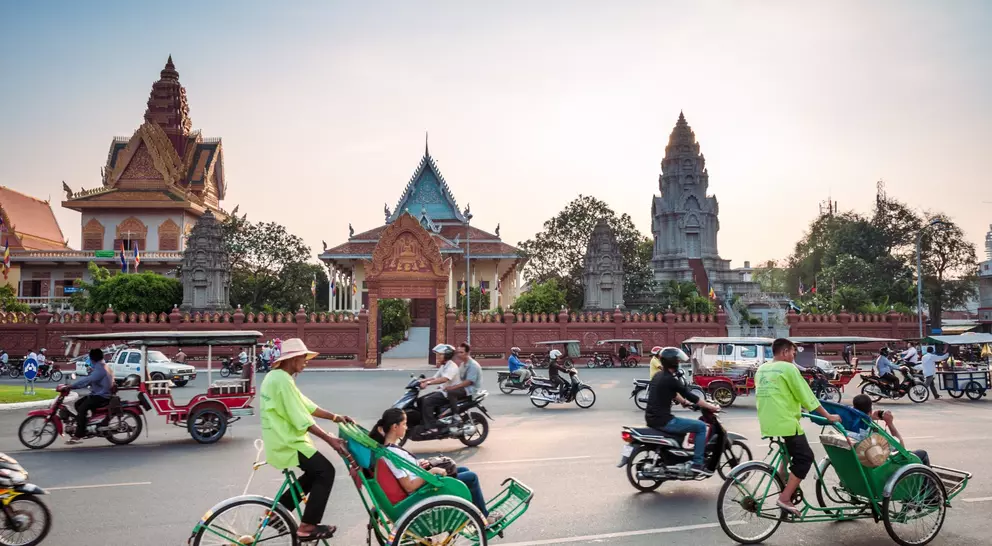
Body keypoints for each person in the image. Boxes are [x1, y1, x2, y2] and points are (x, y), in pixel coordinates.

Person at [259, 337, 355, 542]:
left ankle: (277, 513)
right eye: (303, 357)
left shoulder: (277, 377)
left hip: (281, 439)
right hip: (288, 441)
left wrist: (335, 417)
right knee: (326, 471)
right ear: (292, 359)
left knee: (314, 473)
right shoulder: (282, 380)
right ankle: (307, 526)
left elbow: (306, 405)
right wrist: (330, 440)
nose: (306, 361)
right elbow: (300, 417)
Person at [370, 408, 500, 525]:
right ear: (394, 427)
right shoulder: (392, 454)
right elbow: (409, 486)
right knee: (471, 477)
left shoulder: (390, 450)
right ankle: (484, 519)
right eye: (404, 424)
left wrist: (419, 465)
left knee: (464, 471)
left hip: (422, 482)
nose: (406, 427)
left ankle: (474, 516)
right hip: (421, 492)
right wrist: (431, 472)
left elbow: (407, 470)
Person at [755, 338, 841, 516]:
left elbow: (777, 394)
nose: (794, 357)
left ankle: (782, 476)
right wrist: (828, 416)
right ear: (785, 352)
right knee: (805, 458)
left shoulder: (762, 368)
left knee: (789, 451)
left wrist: (795, 409)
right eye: (794, 353)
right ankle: (784, 497)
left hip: (768, 421)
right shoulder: (788, 368)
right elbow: (807, 396)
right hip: (785, 422)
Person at [645, 347, 722, 475]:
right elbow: (691, 396)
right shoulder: (670, 379)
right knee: (701, 426)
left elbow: (673, 393)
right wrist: (710, 406)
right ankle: (698, 463)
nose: (679, 362)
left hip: (652, 418)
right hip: (664, 421)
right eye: (677, 360)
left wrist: (684, 403)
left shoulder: (659, 376)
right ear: (673, 362)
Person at [851, 394, 930, 466]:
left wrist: (870, 418)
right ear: (870, 411)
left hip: (860, 465)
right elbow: (901, 449)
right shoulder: (873, 434)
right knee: (922, 454)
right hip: (884, 466)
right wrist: (890, 423)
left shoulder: (848, 430)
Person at [59, 348, 114, 445]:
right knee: (77, 404)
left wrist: (71, 386)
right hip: (98, 394)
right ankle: (85, 423)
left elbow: (87, 380)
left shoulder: (100, 369)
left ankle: (79, 435)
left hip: (101, 396)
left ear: (92, 358)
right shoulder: (101, 366)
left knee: (82, 409)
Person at [419, 344, 461, 430]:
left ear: (447, 355)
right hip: (442, 391)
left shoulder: (452, 366)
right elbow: (435, 377)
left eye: (440, 355)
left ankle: (431, 426)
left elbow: (444, 379)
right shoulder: (444, 365)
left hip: (448, 394)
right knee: (420, 400)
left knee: (427, 401)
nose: (437, 357)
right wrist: (423, 381)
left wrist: (428, 383)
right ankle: (425, 421)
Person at [442, 343, 483, 424]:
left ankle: (456, 415)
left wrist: (452, 388)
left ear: (467, 353)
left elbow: (468, 382)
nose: (459, 354)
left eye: (461, 352)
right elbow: (459, 379)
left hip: (471, 390)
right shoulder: (463, 364)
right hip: (465, 388)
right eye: (458, 352)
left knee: (451, 393)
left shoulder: (473, 365)